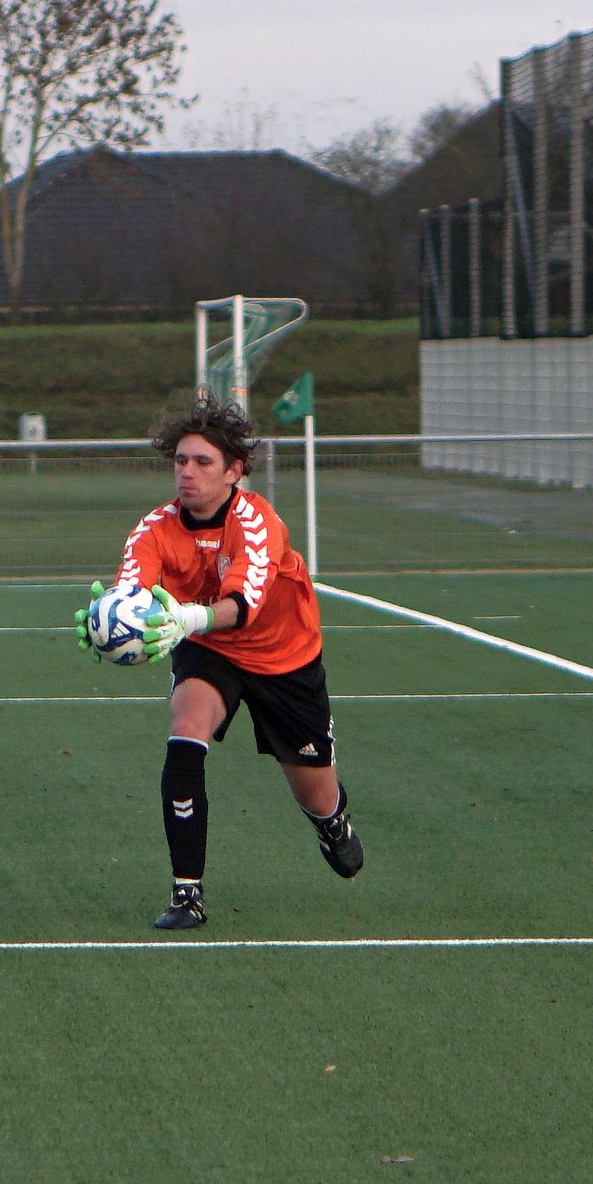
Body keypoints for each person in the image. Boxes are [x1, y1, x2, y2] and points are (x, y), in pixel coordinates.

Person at [109, 397, 362, 930]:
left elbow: (243, 604)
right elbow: (131, 589)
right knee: (185, 731)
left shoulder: (256, 521)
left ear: (234, 471)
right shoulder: (155, 527)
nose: (187, 472)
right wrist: (109, 623)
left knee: (317, 794)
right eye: (181, 460)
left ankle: (332, 822)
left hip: (284, 655)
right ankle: (187, 894)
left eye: (203, 462)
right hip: (210, 648)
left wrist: (189, 618)